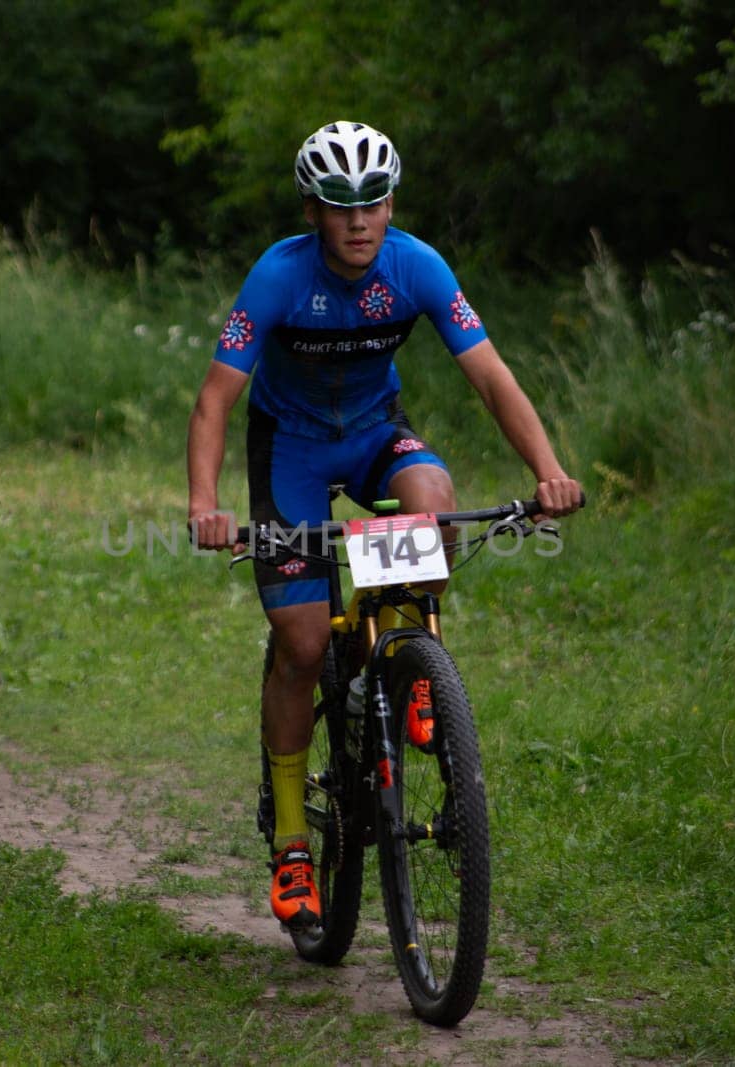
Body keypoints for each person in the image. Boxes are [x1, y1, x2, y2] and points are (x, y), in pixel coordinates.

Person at [187, 120, 582, 930]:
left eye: (373, 201)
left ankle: (404, 666)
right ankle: (294, 840)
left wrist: (548, 470)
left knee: (430, 491)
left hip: (374, 432)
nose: (359, 220)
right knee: (301, 642)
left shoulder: (417, 266)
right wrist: (204, 504)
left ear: (392, 201)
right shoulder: (278, 276)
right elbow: (215, 398)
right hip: (290, 448)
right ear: (312, 209)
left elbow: (491, 376)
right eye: (340, 204)